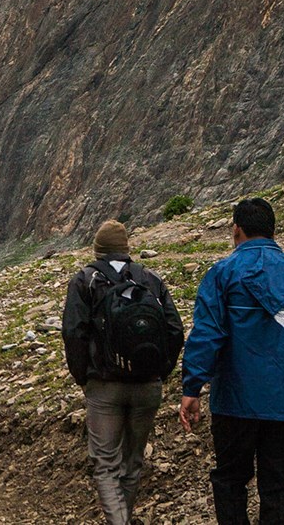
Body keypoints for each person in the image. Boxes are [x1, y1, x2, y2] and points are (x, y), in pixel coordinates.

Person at [180, 198, 284, 524]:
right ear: (273, 231)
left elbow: (208, 334)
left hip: (234, 404)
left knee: (230, 480)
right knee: (281, 488)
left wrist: (192, 388)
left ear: (236, 229)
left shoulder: (222, 274)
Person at [62, 220, 184, 525]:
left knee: (105, 465)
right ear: (127, 248)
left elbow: (73, 332)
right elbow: (174, 329)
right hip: (147, 385)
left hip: (104, 385)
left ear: (98, 249)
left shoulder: (85, 279)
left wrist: (84, 376)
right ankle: (124, 517)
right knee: (133, 462)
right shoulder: (151, 279)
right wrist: (160, 372)